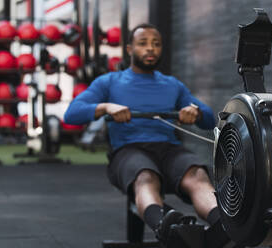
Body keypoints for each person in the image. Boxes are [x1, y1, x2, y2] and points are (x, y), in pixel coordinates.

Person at [64, 23, 227, 246]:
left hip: (168, 149)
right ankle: (167, 229)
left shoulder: (172, 85)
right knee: (145, 176)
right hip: (128, 151)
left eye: (156, 44)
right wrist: (106, 107)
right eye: (143, 44)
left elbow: (209, 119)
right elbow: (71, 114)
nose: (150, 49)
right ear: (130, 49)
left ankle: (223, 228)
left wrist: (195, 113)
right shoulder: (110, 82)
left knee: (197, 174)